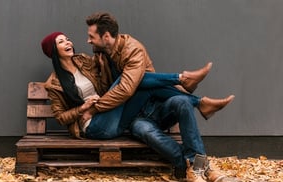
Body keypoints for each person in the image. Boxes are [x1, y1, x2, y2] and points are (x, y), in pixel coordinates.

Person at [85, 12, 235, 182]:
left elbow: (125, 89)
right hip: (134, 118)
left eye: (91, 37)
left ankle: (197, 166)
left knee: (178, 101)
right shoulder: (101, 56)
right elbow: (115, 88)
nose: (88, 41)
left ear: (106, 36)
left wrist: (95, 109)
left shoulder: (133, 49)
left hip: (155, 107)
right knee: (138, 84)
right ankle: (201, 166)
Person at [41, 32, 231, 141]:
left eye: (67, 39)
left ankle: (195, 96)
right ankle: (185, 82)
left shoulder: (83, 60)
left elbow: (105, 75)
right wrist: (83, 107)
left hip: (109, 111)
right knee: (130, 79)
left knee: (138, 81)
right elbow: (60, 118)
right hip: (92, 124)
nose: (68, 42)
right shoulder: (55, 83)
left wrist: (105, 53)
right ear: (53, 51)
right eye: (61, 41)